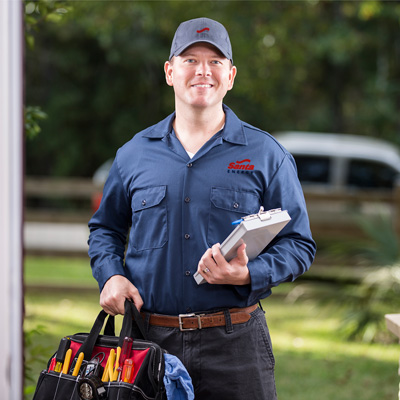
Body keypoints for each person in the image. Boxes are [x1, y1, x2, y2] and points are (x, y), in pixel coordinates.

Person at [88, 17, 316, 399]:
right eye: (190, 59)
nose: (202, 71)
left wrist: (248, 274)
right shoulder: (133, 155)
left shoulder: (266, 155)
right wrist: (110, 276)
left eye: (215, 62)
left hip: (236, 346)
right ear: (170, 71)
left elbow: (299, 245)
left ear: (230, 76)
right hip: (148, 343)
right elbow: (106, 229)